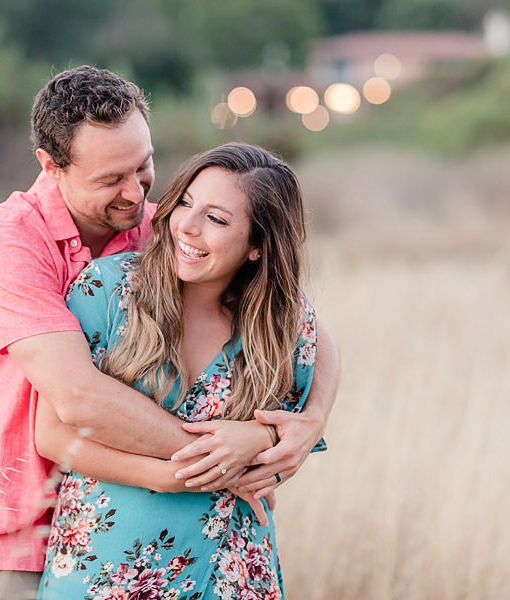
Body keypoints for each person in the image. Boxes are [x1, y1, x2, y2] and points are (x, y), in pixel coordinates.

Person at [0, 66, 339, 599]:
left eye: (144, 165)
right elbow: (79, 398)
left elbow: (302, 322)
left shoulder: (161, 230)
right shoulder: (10, 243)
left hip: (126, 521)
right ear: (51, 166)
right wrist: (226, 461)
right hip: (13, 529)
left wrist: (303, 425)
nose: (134, 193)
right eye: (110, 179)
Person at [37, 142, 324, 599]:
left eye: (216, 219)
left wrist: (264, 438)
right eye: (185, 203)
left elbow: (290, 441)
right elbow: (51, 437)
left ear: (257, 246)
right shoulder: (107, 290)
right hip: (102, 567)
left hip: (230, 567)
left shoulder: (284, 327)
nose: (185, 226)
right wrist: (164, 476)